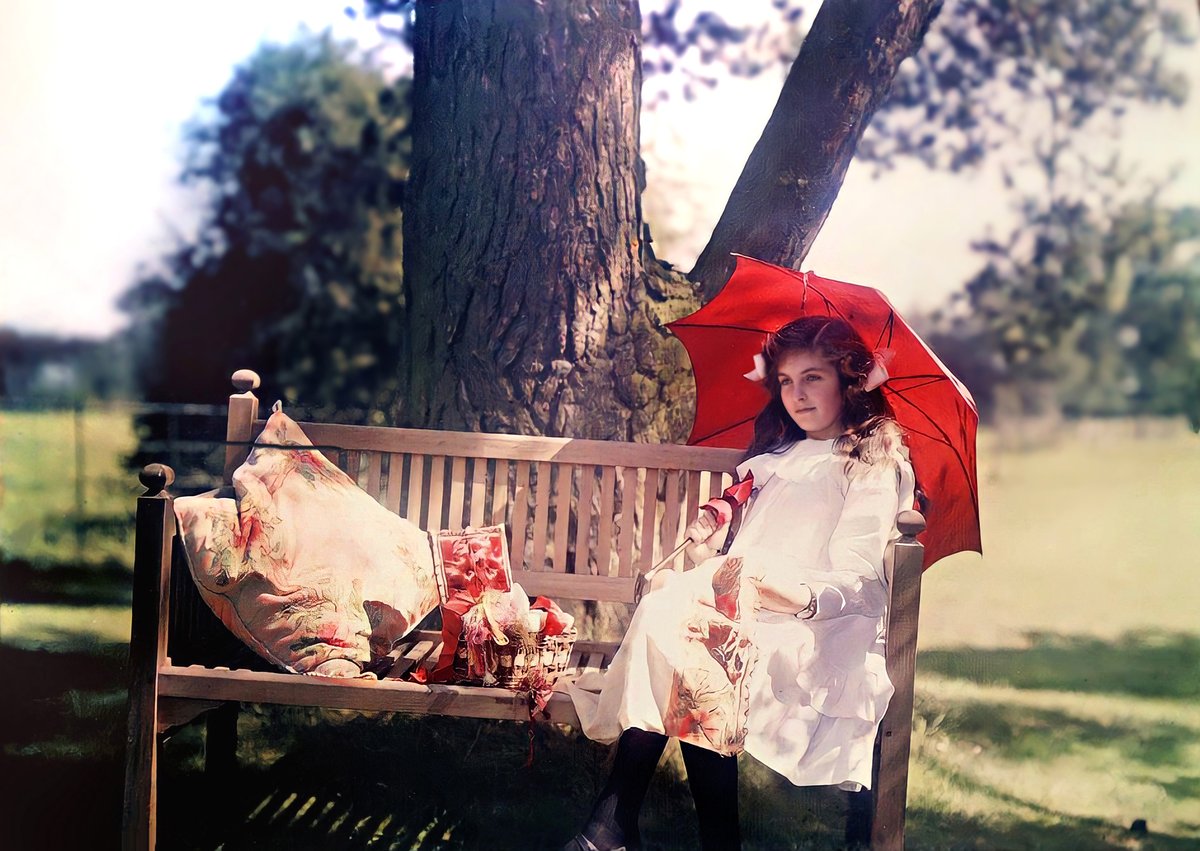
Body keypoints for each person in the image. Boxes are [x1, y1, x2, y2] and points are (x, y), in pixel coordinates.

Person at [561, 316, 917, 851]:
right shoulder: (776, 458)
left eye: (813, 378)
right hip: (741, 605)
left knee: (700, 649)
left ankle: (613, 824)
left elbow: (862, 583)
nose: (796, 394)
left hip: (811, 623)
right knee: (677, 623)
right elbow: (746, 550)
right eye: (786, 381)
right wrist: (711, 543)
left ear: (849, 380)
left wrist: (795, 598)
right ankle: (640, 830)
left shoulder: (866, 465)